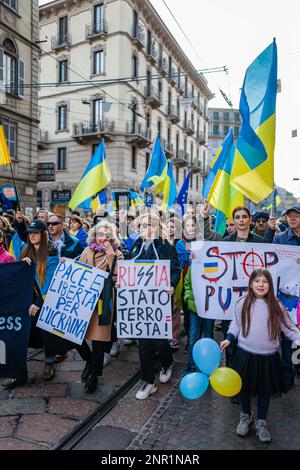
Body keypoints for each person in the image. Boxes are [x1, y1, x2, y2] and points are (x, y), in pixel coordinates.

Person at [221, 268, 300, 443]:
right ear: (251, 283)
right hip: (245, 354)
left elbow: (289, 328)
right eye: (257, 281)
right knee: (244, 388)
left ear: (270, 285)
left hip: (268, 357)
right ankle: (245, 415)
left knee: (265, 390)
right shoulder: (242, 302)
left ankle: (261, 422)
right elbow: (236, 323)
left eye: (265, 281)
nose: (261, 284)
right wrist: (228, 338)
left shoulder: (276, 306)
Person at [130, 211, 181, 400]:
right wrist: (122, 282)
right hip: (140, 301)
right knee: (143, 342)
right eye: (144, 225)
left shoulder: (167, 247)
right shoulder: (136, 246)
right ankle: (148, 381)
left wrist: (171, 284)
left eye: (151, 225)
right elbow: (129, 268)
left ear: (158, 227)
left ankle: (167, 362)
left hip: (160, 300)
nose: (147, 228)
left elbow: (175, 270)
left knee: (160, 340)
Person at [2, 220, 59, 389]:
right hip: (26, 299)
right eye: (30, 233)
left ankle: (49, 362)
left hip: (43, 300)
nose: (32, 235)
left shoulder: (51, 251)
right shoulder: (26, 249)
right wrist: (24, 264)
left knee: (45, 332)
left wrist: (38, 303)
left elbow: (50, 284)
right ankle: (17, 373)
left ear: (43, 233)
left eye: (35, 232)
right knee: (18, 333)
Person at [76, 221, 123, 393]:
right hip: (84, 300)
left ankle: (94, 376)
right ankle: (89, 361)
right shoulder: (87, 251)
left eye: (107, 234)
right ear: (94, 236)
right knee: (75, 336)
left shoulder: (117, 254)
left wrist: (111, 255)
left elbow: (119, 277)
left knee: (98, 341)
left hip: (103, 303)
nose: (103, 238)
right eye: (100, 234)